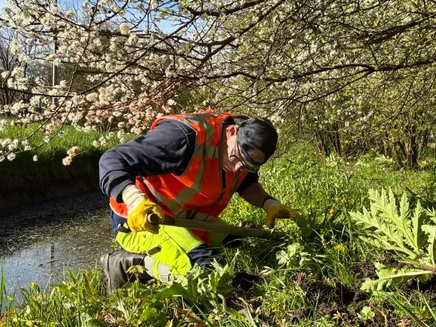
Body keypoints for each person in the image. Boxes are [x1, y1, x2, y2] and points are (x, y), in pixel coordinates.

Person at [98, 110, 299, 292]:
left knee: (235, 247)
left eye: (247, 166)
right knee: (203, 272)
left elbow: (246, 183)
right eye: (237, 158)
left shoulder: (241, 152)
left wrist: (269, 203)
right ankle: (127, 265)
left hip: (185, 217)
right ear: (231, 133)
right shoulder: (182, 138)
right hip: (144, 221)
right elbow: (112, 159)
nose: (238, 168)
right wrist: (135, 201)